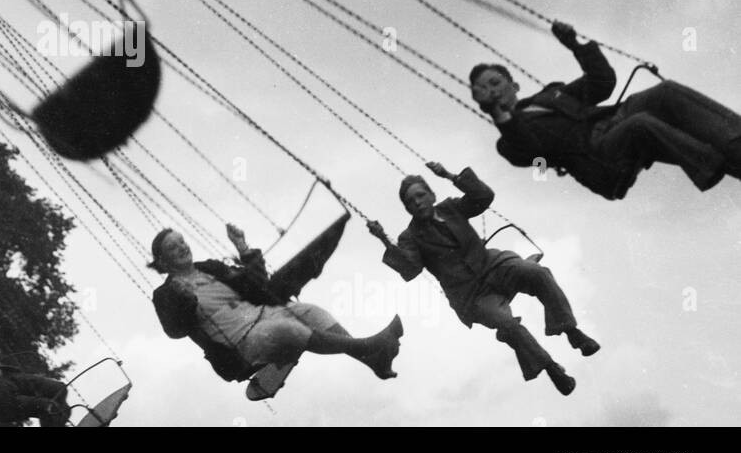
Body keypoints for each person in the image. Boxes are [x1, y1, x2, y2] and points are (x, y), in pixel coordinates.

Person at [366, 161, 599, 396]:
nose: (417, 202)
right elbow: (410, 269)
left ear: (432, 194)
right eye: (410, 201)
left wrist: (448, 175)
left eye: (420, 195)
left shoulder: (451, 208)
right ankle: (552, 369)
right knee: (506, 322)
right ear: (407, 209)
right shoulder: (410, 237)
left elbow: (483, 196)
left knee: (537, 273)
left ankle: (572, 332)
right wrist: (384, 239)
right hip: (470, 295)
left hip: (493, 266)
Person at [470, 20, 741, 199]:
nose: (491, 90)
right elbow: (532, 149)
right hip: (596, 154)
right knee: (641, 124)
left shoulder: (551, 94)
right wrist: (499, 114)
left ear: (514, 85)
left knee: (665, 93)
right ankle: (710, 164)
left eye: (494, 82)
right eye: (483, 89)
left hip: (614, 119)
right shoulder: (507, 143)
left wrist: (576, 46)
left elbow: (602, 84)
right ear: (481, 102)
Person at [150, 215, 403, 399]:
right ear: (162, 261)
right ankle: (369, 347)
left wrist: (243, 247)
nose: (182, 247)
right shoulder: (165, 293)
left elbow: (256, 284)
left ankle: (374, 360)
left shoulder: (211, 268)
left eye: (181, 241)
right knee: (288, 330)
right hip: (242, 345)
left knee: (311, 312)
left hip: (266, 315)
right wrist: (185, 300)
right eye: (173, 247)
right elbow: (174, 330)